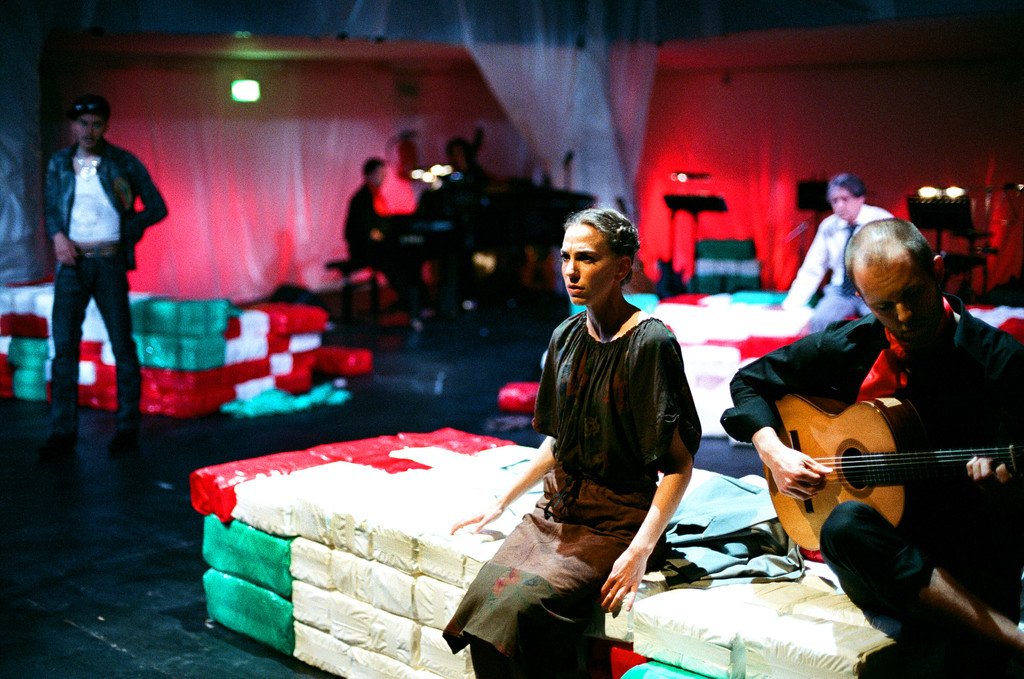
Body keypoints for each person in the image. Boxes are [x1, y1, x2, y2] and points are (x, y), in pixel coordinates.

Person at [722, 218, 1024, 676]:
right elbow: (748, 382)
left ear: (937, 271)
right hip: (882, 552)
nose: (903, 317)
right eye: (883, 306)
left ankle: (994, 636)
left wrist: (1005, 491)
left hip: (968, 552)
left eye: (913, 295)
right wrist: (774, 452)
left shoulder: (1000, 361)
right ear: (862, 299)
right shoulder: (851, 344)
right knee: (843, 526)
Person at [444, 207, 702, 677]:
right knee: (481, 611)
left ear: (622, 267)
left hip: (613, 523)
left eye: (586, 258)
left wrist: (640, 550)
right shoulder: (565, 336)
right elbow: (559, 441)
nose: (570, 270)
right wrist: (501, 503)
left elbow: (679, 466)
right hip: (555, 513)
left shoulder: (650, 343)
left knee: (518, 613)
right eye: (565, 257)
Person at [38, 94, 167, 460]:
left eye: (96, 124)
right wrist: (57, 236)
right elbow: (51, 207)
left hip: (108, 262)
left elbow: (157, 207)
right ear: (73, 125)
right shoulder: (60, 163)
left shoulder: (122, 161)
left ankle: (126, 430)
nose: (89, 130)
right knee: (64, 349)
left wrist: (128, 230)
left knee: (122, 345)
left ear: (106, 126)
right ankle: (62, 433)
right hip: (72, 264)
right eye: (83, 123)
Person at [782, 173, 893, 332]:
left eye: (845, 199)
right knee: (819, 321)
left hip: (874, 289)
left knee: (885, 324)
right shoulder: (829, 226)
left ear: (860, 198)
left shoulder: (882, 220)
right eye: (835, 201)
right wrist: (791, 304)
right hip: (840, 291)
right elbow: (813, 267)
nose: (839, 205)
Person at [343, 157, 422, 329]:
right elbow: (363, 230)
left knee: (403, 261)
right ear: (369, 175)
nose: (383, 178)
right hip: (364, 249)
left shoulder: (373, 196)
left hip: (374, 247)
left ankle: (414, 303)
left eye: (384, 174)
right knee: (394, 263)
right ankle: (411, 304)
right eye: (380, 174)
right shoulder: (362, 198)